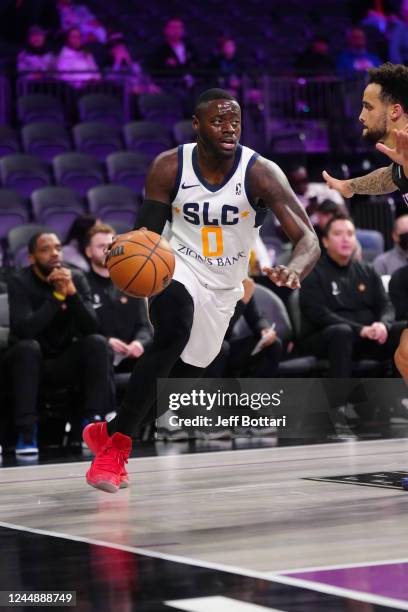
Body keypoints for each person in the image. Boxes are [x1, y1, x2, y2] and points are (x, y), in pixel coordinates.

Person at [83, 87, 320, 493]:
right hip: (179, 266)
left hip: (225, 285)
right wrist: (127, 257)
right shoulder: (168, 167)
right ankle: (117, 450)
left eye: (236, 122)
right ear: (197, 125)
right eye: (218, 121)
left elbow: (309, 239)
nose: (229, 129)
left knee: (186, 376)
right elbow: (147, 237)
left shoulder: (260, 172)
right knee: (174, 328)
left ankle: (112, 430)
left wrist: (295, 269)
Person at [322, 62, 408, 381]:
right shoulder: (399, 155)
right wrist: (352, 186)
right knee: (404, 356)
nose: (361, 115)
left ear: (395, 110)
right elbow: (391, 177)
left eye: (368, 106)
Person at [3, 232, 113, 454]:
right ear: (32, 258)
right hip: (28, 363)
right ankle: (27, 430)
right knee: (28, 347)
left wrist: (71, 295)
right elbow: (25, 330)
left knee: (97, 343)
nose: (54, 253)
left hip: (63, 360)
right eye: (45, 249)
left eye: (58, 248)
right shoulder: (19, 281)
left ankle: (92, 423)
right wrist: (57, 298)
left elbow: (93, 327)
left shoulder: (76, 277)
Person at [299, 214, 405, 377]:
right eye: (338, 234)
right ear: (325, 241)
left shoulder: (368, 270)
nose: (345, 239)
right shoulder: (313, 272)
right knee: (342, 332)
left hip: (368, 335)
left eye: (350, 234)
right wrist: (360, 329)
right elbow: (319, 315)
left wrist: (383, 324)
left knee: (404, 329)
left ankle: (401, 396)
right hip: (327, 337)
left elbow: (386, 305)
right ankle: (339, 400)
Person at [85, 223, 153, 372]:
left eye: (110, 245)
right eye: (100, 246)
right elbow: (80, 329)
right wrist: (107, 342)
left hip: (133, 357)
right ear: (88, 251)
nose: (106, 250)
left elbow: (144, 326)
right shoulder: (82, 284)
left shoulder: (131, 281)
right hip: (98, 360)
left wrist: (139, 343)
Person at [206, 278, 282, 378]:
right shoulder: (211, 283)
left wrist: (265, 329)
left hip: (227, 347)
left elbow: (256, 318)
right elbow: (217, 329)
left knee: (273, 344)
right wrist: (242, 301)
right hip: (205, 344)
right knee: (221, 348)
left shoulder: (242, 283)